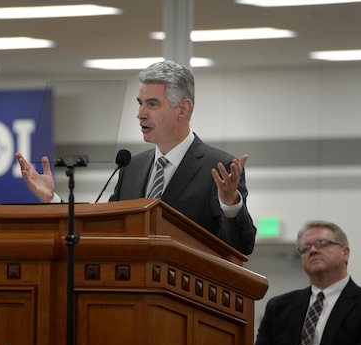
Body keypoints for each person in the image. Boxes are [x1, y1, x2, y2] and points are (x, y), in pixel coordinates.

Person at [16, 60, 256, 255]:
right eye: (140, 103)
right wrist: (52, 201)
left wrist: (231, 204)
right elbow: (103, 231)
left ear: (182, 109)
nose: (140, 114)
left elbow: (240, 248)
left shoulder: (218, 168)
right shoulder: (131, 166)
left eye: (152, 104)